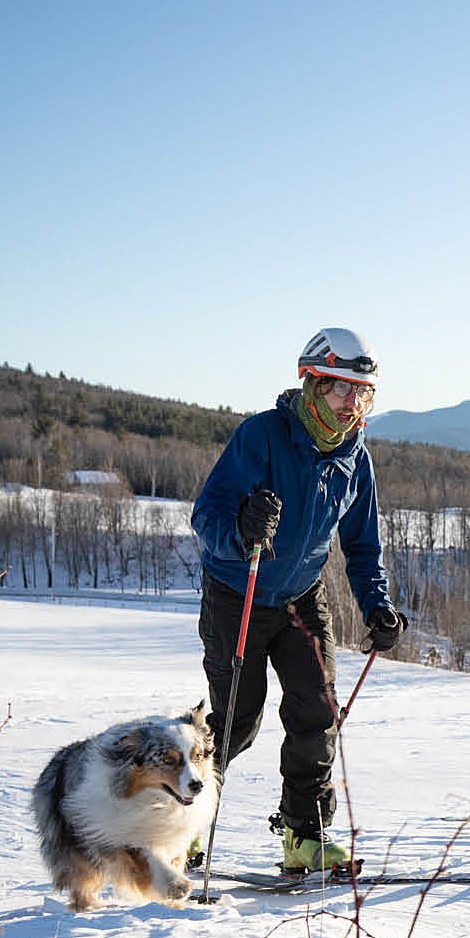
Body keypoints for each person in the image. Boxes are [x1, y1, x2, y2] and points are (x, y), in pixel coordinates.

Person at [192, 328, 404, 871]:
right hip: (237, 591)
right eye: (340, 388)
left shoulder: (357, 460)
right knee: (237, 719)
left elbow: (362, 545)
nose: (352, 402)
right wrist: (240, 527)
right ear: (310, 383)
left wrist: (376, 604)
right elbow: (206, 515)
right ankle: (182, 820)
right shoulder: (262, 436)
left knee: (317, 712)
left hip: (301, 598)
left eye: (363, 391)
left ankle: (303, 835)